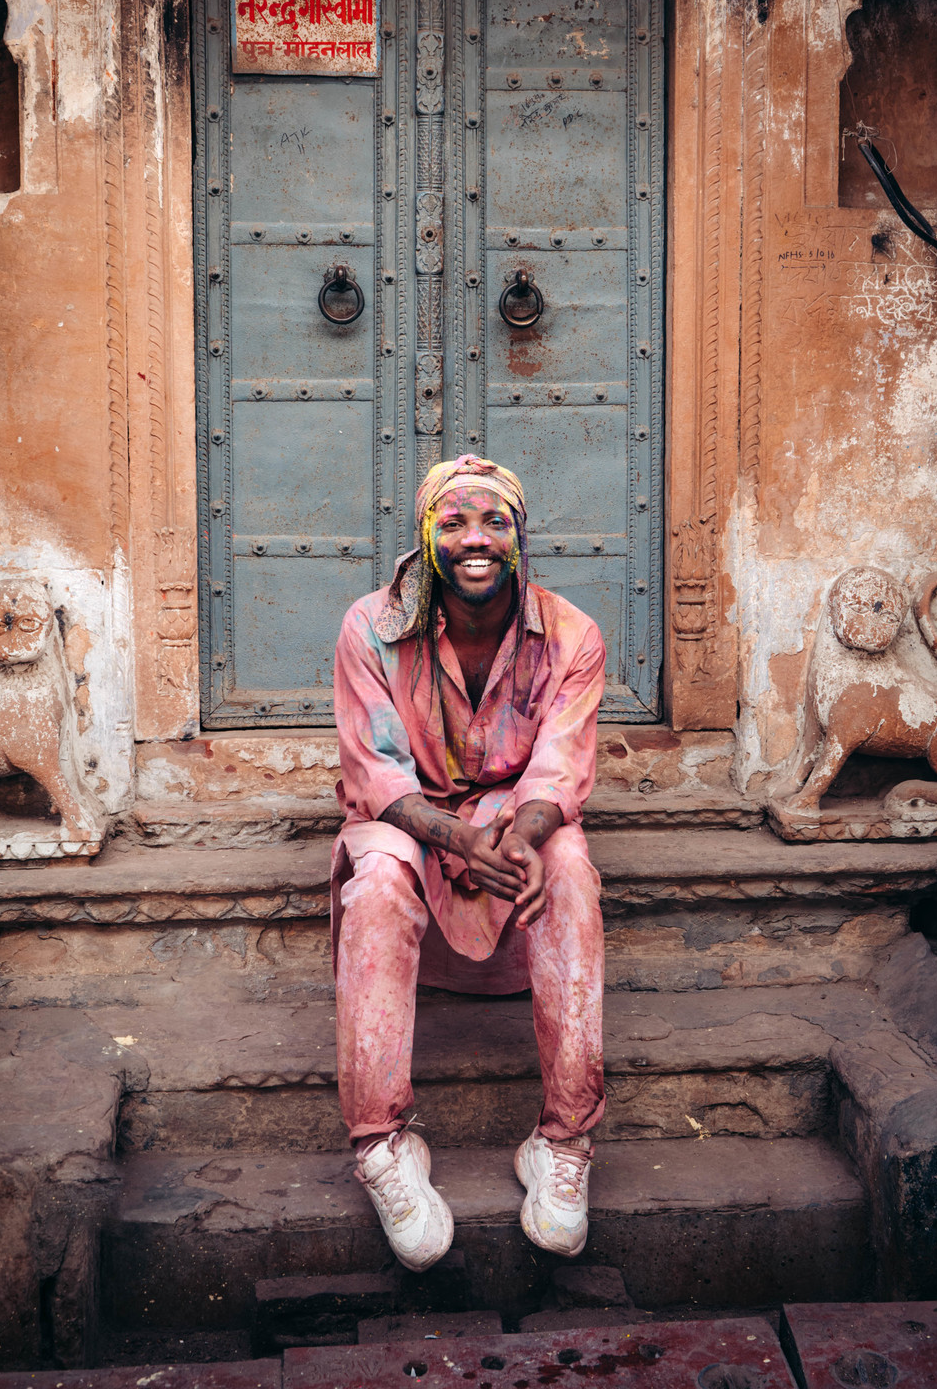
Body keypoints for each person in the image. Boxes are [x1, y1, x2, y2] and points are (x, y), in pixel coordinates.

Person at [331, 453, 606, 1272]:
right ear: (424, 538)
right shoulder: (369, 628)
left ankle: (562, 1144)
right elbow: (375, 773)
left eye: (494, 522)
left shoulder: (572, 635)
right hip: (407, 818)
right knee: (378, 883)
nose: (475, 540)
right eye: (454, 523)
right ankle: (383, 1145)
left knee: (572, 871)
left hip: (516, 814)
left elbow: (561, 767)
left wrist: (518, 837)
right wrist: (453, 839)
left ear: (521, 536)